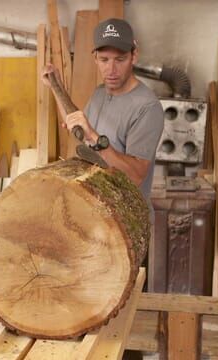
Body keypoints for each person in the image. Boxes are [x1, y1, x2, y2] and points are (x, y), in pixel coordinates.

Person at [42, 18, 164, 214]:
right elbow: (79, 130)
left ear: (134, 56)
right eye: (104, 60)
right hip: (96, 212)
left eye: (120, 59)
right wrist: (56, 87)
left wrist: (95, 138)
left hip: (127, 222)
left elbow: (136, 176)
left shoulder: (147, 107)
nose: (111, 70)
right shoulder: (100, 93)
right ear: (95, 58)